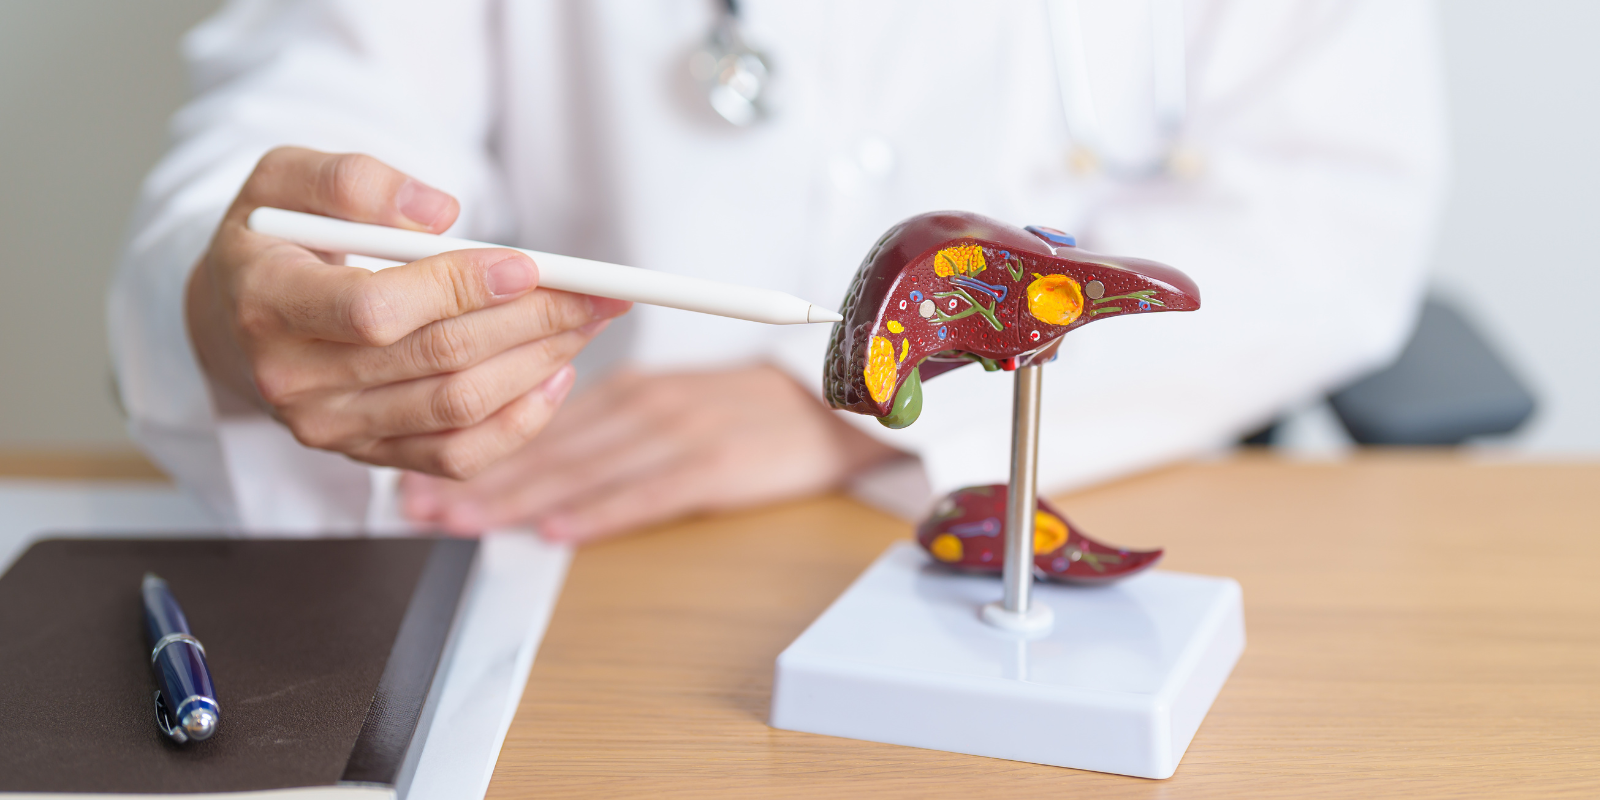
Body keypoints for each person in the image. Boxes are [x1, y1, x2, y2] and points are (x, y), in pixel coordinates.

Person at [110, 0, 1447, 539]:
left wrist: (847, 398)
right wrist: (253, 305)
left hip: (1079, 498)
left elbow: (1335, 216)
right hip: (581, 544)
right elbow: (308, 120)